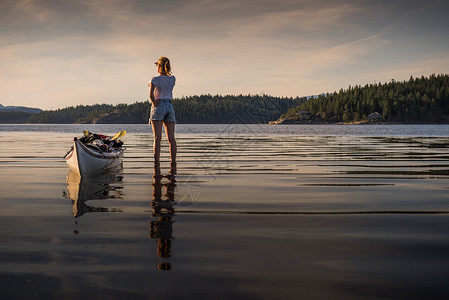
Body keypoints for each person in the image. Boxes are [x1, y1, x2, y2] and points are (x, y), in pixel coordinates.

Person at [148, 57, 177, 163]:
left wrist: (154, 104)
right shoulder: (173, 79)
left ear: (159, 66)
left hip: (159, 105)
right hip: (169, 106)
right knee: (171, 139)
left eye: (157, 65)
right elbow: (166, 86)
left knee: (157, 138)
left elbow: (151, 94)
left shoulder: (154, 79)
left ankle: (156, 163)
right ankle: (173, 162)